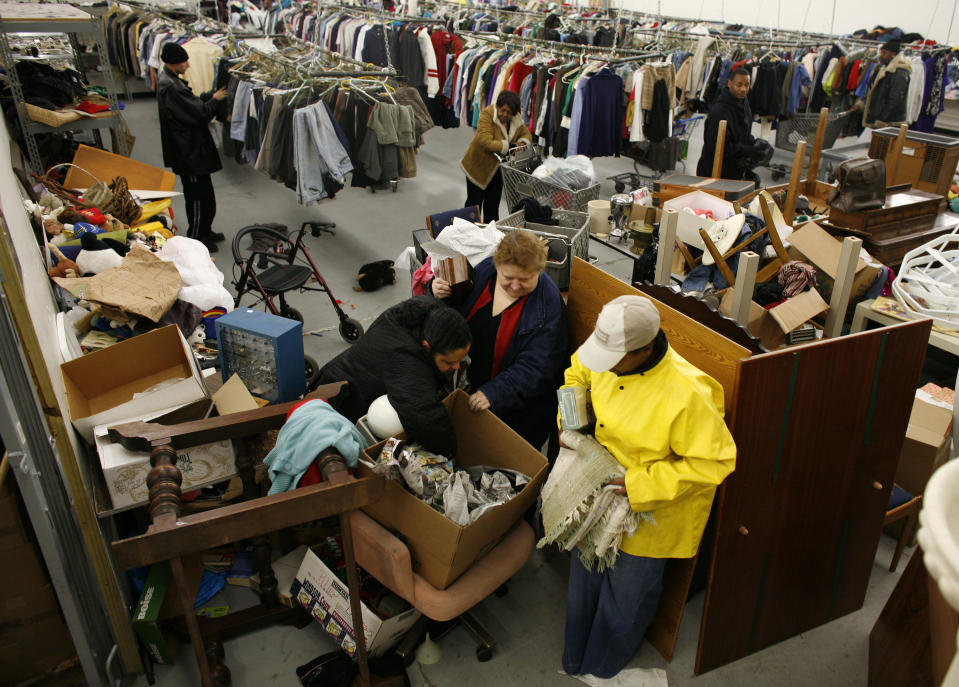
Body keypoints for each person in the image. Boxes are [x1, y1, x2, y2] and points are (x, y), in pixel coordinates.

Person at [560, 295, 736, 679]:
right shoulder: (607, 356)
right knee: (584, 578)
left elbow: (714, 461)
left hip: (650, 509)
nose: (605, 366)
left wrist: (638, 485)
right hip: (599, 489)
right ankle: (575, 660)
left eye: (615, 359)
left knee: (627, 599)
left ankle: (603, 668)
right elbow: (577, 372)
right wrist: (572, 422)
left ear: (645, 349)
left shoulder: (689, 393)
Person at [431, 230, 567, 449]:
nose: (514, 286)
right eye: (507, 278)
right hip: (466, 385)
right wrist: (437, 290)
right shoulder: (485, 272)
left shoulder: (548, 305)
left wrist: (496, 393)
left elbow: (538, 367)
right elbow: (454, 312)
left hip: (514, 410)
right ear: (497, 266)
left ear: (540, 271)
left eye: (525, 280)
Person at [316, 297, 471, 456]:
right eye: (450, 362)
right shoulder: (405, 362)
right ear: (427, 346)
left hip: (344, 372)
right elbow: (427, 420)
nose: (457, 367)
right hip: (339, 404)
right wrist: (453, 455)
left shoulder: (424, 313)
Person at [157, 41, 228, 253]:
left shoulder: (172, 82)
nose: (188, 64)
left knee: (205, 194)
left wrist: (207, 97)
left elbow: (193, 104)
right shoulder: (172, 87)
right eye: (184, 61)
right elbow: (200, 114)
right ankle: (196, 236)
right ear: (174, 63)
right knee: (197, 197)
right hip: (188, 154)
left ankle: (205, 230)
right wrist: (214, 100)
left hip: (191, 151)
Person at [460, 90, 532, 222]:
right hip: (477, 167)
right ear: (498, 107)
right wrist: (511, 147)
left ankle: (489, 237)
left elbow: (527, 134)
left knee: (492, 208)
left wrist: (522, 142)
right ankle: (466, 235)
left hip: (497, 171)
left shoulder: (516, 120)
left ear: (514, 113)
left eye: (509, 112)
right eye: (502, 110)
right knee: (473, 207)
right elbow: (485, 142)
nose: (504, 114)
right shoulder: (487, 115)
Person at [696, 67, 772, 183]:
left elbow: (743, 132)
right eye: (739, 85)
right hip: (713, 172)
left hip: (732, 171)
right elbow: (716, 146)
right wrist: (748, 150)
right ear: (730, 84)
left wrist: (755, 144)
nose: (743, 89)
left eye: (747, 85)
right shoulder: (719, 112)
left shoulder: (744, 103)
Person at [850, 39, 912, 128]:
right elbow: (873, 92)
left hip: (889, 123)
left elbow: (895, 100)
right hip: (877, 119)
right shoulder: (882, 69)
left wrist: (882, 120)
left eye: (884, 53)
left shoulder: (899, 73)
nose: (880, 56)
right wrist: (861, 104)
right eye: (881, 52)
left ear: (893, 54)